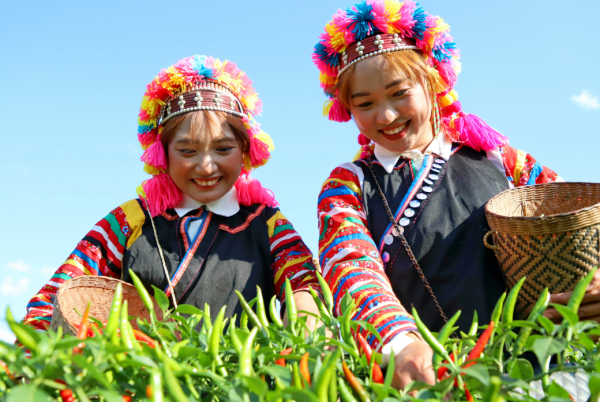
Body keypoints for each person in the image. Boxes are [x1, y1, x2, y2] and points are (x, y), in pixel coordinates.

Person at [312, 0, 600, 390]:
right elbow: (349, 264)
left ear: (433, 81)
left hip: (542, 370)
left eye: (399, 93)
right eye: (365, 104)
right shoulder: (348, 186)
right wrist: (400, 342)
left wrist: (591, 282)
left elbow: (580, 223)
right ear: (347, 109)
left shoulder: (502, 160)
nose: (385, 116)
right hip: (429, 377)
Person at [23, 55, 321, 330]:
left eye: (223, 148)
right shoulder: (133, 219)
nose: (206, 166)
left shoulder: (266, 223)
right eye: (187, 150)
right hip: (142, 383)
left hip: (241, 384)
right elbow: (62, 290)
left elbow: (303, 282)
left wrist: (305, 309)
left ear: (245, 149)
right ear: (162, 153)